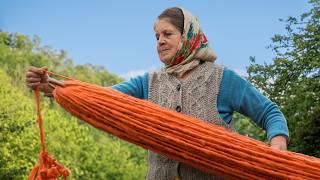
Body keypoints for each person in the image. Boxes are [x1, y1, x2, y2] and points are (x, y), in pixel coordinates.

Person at [26, 7, 289, 180]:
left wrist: (277, 146)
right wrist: (51, 85)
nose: (160, 41)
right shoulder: (148, 82)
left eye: (167, 34)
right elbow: (102, 99)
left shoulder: (222, 79)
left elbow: (269, 112)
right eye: (156, 36)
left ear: (188, 36)